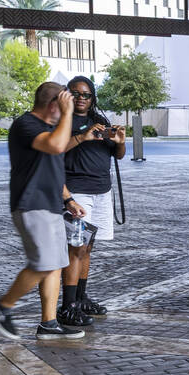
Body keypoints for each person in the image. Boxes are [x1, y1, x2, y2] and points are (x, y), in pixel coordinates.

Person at [0, 82, 87, 340]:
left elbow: (52, 167)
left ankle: (49, 323)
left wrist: (68, 200)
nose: (70, 108)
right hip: (32, 205)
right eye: (65, 103)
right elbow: (56, 147)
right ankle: (3, 306)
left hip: (51, 205)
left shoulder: (49, 128)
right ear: (54, 103)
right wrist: (66, 116)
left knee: (54, 265)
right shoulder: (26, 125)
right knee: (43, 263)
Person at [58, 76, 126, 327]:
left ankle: (81, 298)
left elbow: (117, 154)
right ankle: (68, 307)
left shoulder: (100, 121)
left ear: (92, 97)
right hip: (78, 193)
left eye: (86, 95)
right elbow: (54, 149)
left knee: (87, 247)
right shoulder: (63, 120)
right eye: (76, 94)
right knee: (75, 248)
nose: (81, 99)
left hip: (101, 192)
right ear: (68, 95)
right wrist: (83, 136)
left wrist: (120, 142)